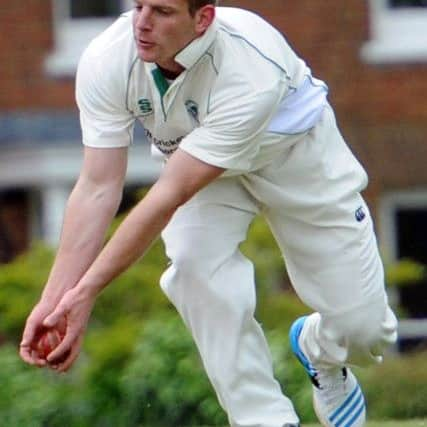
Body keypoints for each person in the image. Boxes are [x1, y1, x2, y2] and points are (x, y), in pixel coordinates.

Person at [20, 1, 398, 426]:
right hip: (197, 167)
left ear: (203, 19)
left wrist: (86, 292)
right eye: (139, 5)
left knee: (366, 332)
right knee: (194, 269)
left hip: (295, 155)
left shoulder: (250, 67)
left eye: (162, 11)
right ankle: (264, 418)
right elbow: (96, 187)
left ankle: (320, 350)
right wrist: (55, 302)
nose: (141, 23)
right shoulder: (108, 57)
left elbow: (168, 195)